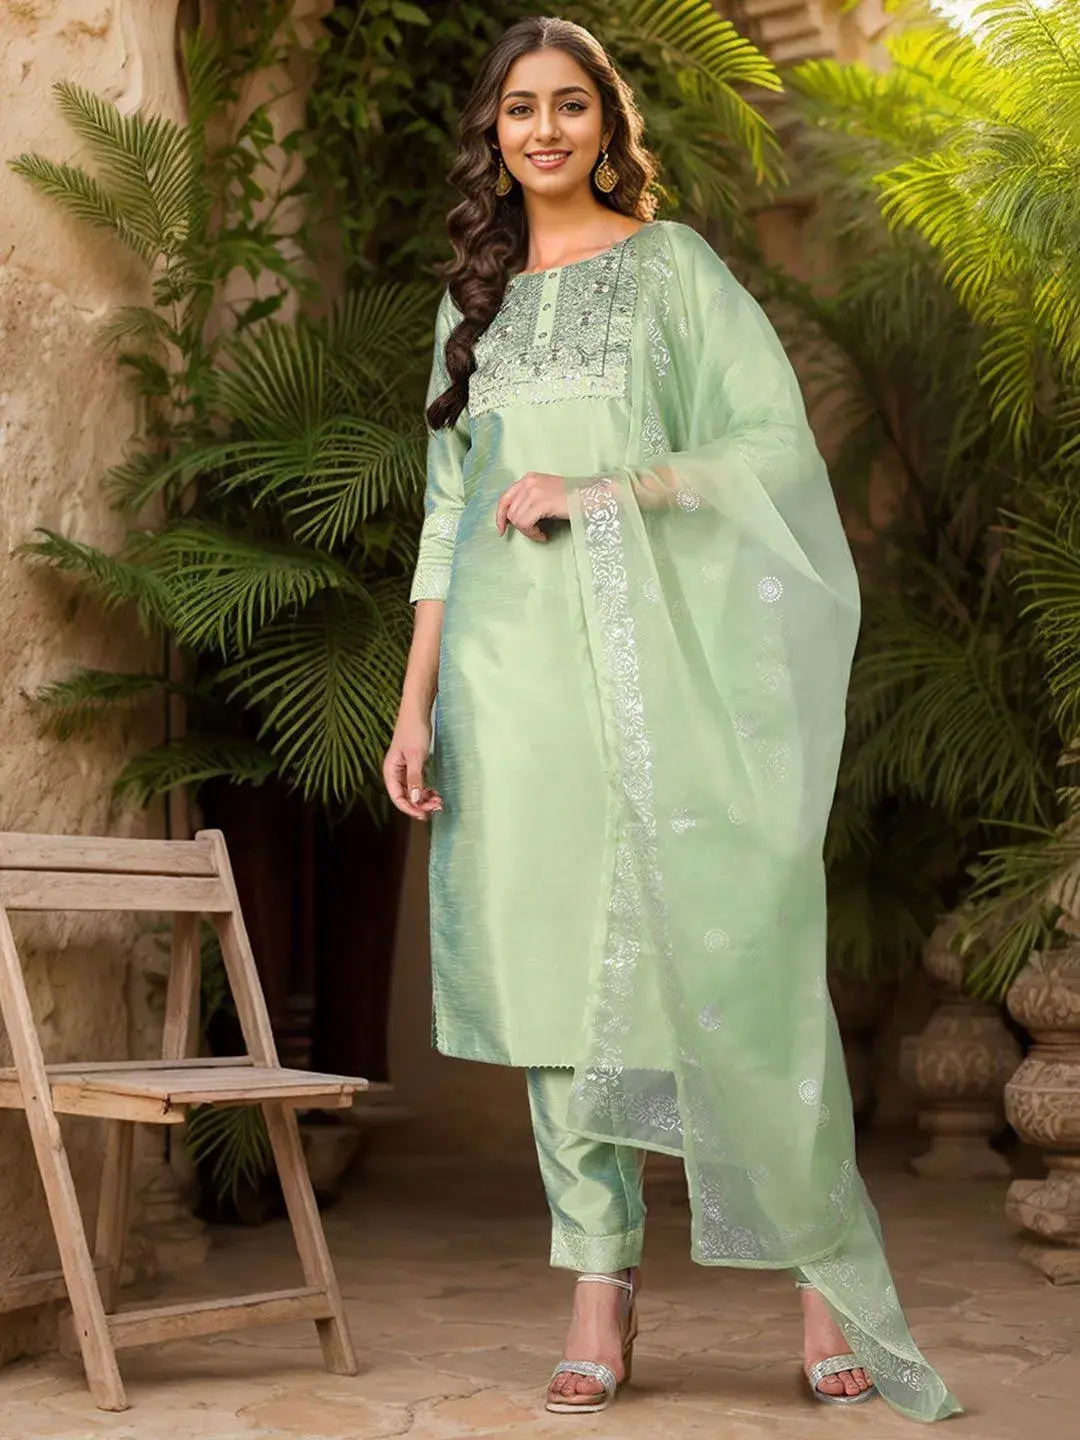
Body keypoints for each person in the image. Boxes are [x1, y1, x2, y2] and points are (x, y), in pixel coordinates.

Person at [382, 14, 960, 1425]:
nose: (544, 129)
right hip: (510, 686)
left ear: (607, 124)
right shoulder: (469, 305)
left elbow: (769, 449)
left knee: (737, 954)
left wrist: (605, 493)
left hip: (663, 667)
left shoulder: (672, 270)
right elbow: (448, 517)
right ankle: (599, 1287)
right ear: (493, 134)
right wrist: (415, 705)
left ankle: (820, 1278)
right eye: (520, 108)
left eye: (569, 104)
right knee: (551, 980)